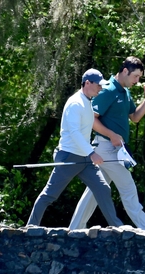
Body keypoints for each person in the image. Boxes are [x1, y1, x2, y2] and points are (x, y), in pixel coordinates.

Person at [68, 56, 145, 230]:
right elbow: (91, 119)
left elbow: (135, 117)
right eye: (135, 76)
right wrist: (112, 135)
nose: (137, 81)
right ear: (125, 71)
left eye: (139, 77)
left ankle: (74, 229)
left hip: (113, 149)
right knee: (129, 189)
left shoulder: (125, 92)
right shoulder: (108, 90)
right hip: (106, 148)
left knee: (94, 192)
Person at [26, 69, 124, 228]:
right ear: (87, 83)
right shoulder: (75, 103)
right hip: (69, 156)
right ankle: (30, 226)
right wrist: (92, 153)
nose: (100, 89)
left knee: (103, 188)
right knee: (49, 195)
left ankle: (117, 227)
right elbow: (74, 133)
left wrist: (90, 153)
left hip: (84, 158)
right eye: (98, 85)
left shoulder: (87, 101)